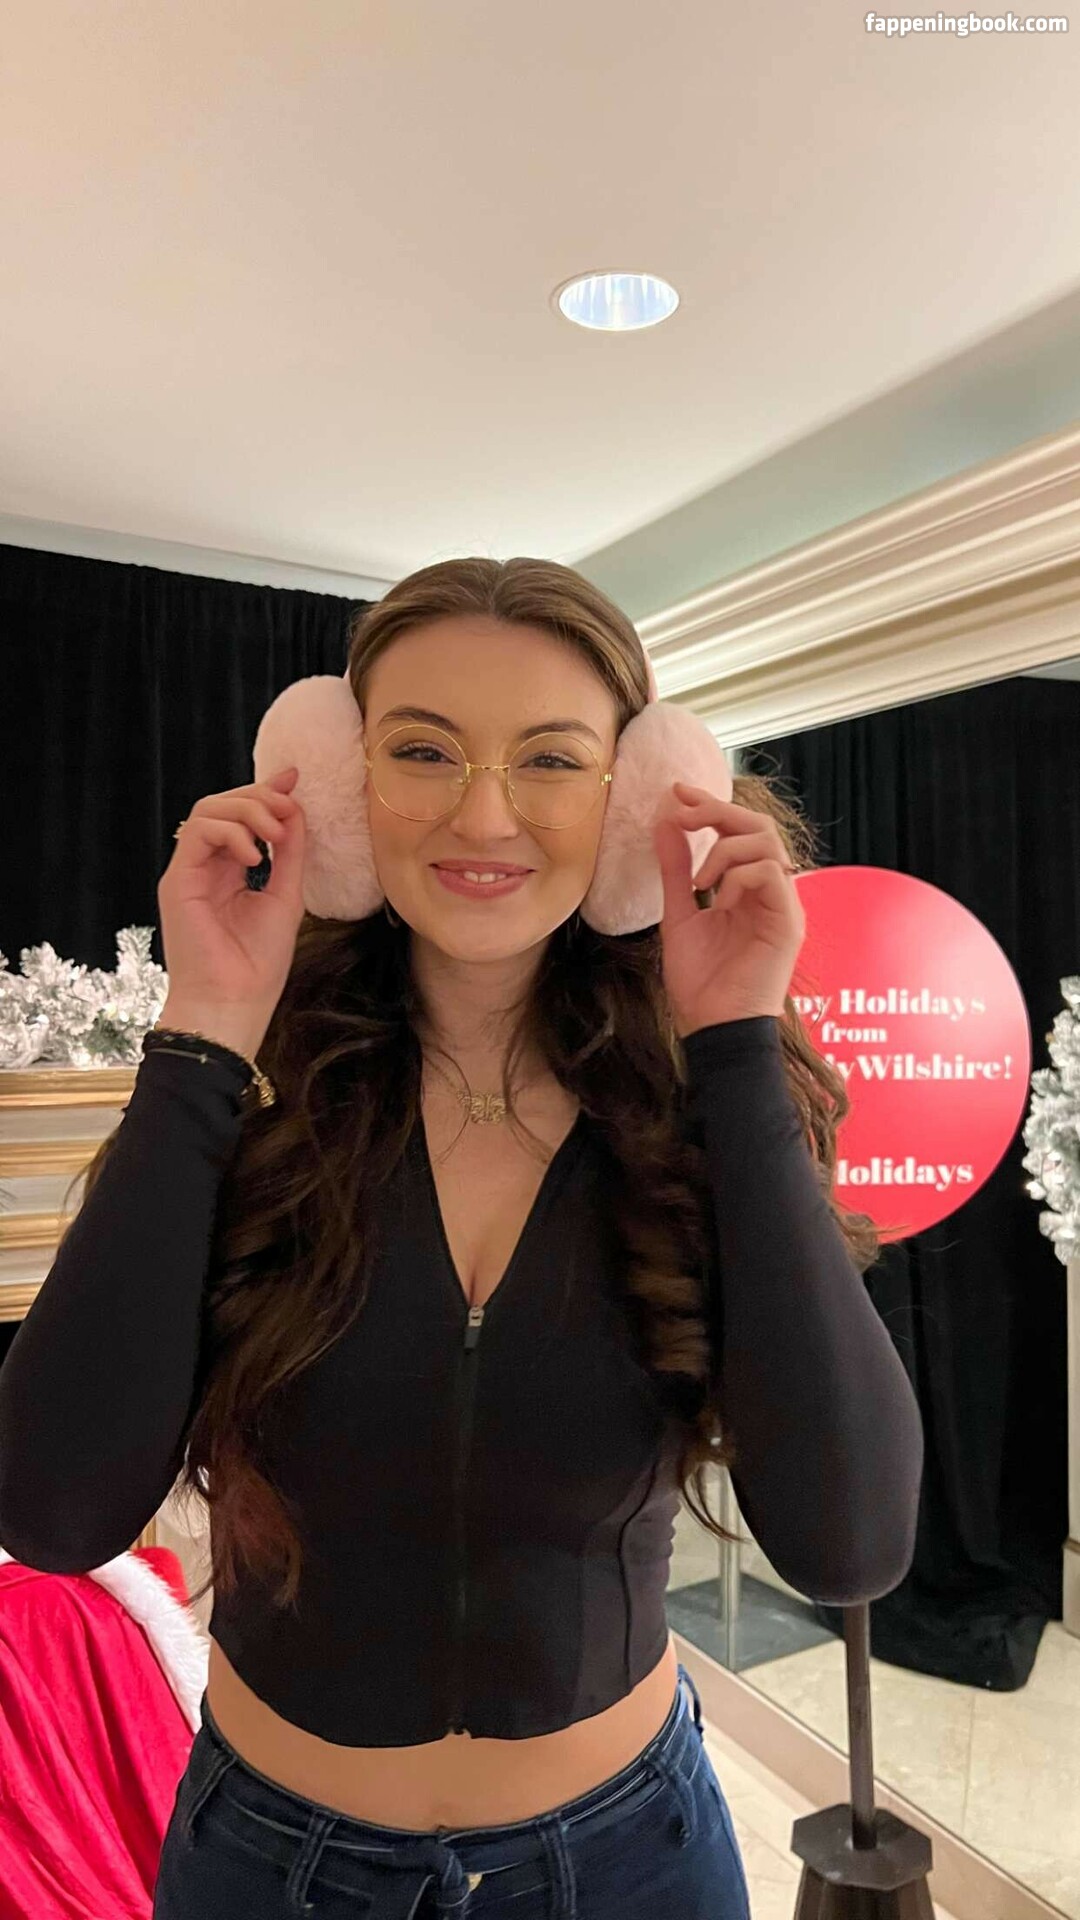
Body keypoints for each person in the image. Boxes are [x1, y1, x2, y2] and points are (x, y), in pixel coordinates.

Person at [0, 557, 923, 1918]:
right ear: (342, 779)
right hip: (271, 1864)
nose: (483, 814)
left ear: (631, 796)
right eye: (423, 750)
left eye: (551, 759)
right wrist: (204, 1031)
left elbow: (850, 1541)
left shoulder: (697, 1103)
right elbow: (52, 1508)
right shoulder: (247, 1090)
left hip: (629, 1860)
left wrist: (733, 1038)